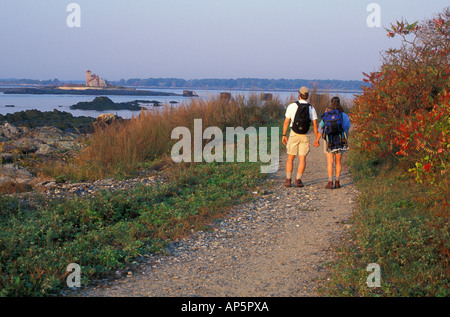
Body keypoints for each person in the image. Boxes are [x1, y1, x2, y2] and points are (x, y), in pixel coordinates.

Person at [282, 87, 320, 187]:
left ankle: (288, 180)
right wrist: (317, 139)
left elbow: (286, 122)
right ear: (307, 96)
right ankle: (298, 180)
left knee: (290, 157)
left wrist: (284, 135)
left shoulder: (292, 106)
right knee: (302, 158)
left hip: (294, 133)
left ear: (299, 94)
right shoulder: (311, 108)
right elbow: (315, 125)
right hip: (305, 135)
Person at [315, 96, 351, 189]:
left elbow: (320, 128)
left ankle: (330, 182)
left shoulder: (327, 114)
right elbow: (346, 129)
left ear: (331, 103)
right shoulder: (344, 115)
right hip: (340, 140)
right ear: (339, 104)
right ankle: (337, 182)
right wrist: (345, 139)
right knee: (338, 161)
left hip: (329, 140)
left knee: (330, 161)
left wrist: (317, 140)